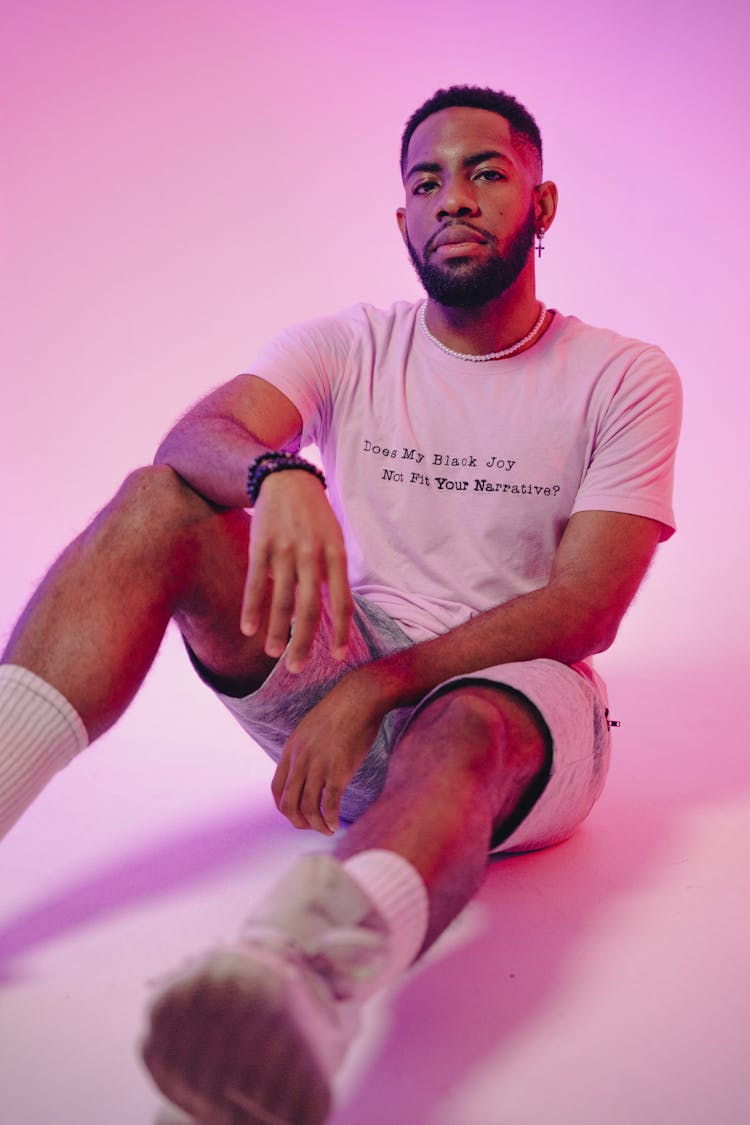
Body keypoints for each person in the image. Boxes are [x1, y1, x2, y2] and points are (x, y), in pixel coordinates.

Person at [0, 85, 681, 1124]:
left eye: (486, 173)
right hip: (343, 686)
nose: (452, 198)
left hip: (516, 711)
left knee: (463, 723)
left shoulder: (622, 375)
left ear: (541, 206)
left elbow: (587, 607)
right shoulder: (351, 344)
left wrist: (381, 686)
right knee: (158, 506)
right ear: (402, 216)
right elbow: (198, 435)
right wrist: (283, 474)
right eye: (426, 181)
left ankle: (289, 992)